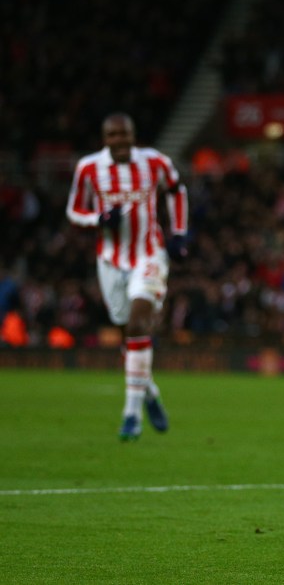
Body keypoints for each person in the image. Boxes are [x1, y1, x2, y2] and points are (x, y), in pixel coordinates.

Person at [66, 112, 189, 441]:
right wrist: (99, 219)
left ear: (133, 135)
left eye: (125, 134)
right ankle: (148, 392)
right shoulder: (89, 168)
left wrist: (179, 233)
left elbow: (177, 190)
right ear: (104, 138)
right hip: (110, 261)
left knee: (137, 324)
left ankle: (130, 414)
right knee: (127, 337)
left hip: (149, 254)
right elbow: (74, 211)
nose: (119, 140)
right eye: (112, 136)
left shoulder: (154, 162)